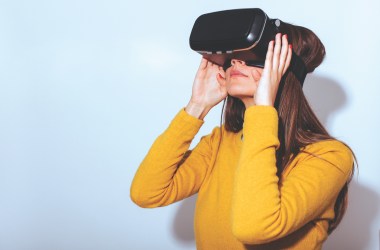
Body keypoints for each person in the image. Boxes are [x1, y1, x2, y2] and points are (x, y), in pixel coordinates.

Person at [130, 22, 357, 249]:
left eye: (252, 55)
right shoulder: (219, 142)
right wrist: (197, 106)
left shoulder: (329, 157)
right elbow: (147, 193)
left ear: (285, 69)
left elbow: (254, 228)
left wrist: (262, 109)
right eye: (233, 57)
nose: (236, 61)